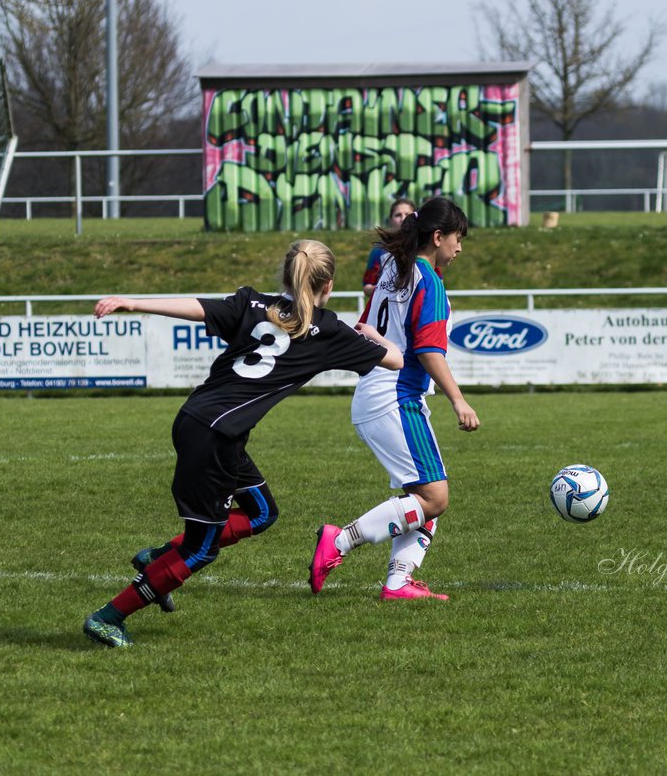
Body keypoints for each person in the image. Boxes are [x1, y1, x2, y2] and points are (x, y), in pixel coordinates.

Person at [82, 239, 403, 648]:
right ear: (329, 285)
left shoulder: (254, 304)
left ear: (285, 277)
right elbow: (395, 359)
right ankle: (109, 616)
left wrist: (133, 302)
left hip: (201, 422)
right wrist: (375, 334)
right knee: (200, 550)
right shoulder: (330, 331)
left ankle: (159, 558)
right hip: (213, 437)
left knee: (261, 512)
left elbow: (197, 306)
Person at [310, 196, 480, 601]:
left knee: (424, 493)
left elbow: (365, 326)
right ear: (438, 237)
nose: (460, 248)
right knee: (434, 497)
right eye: (457, 238)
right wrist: (459, 400)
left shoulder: (392, 267)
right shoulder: (429, 280)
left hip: (379, 394)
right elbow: (429, 350)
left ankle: (398, 582)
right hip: (395, 396)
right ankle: (339, 541)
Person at [362, 197, 415, 299]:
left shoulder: (424, 248)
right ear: (391, 220)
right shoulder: (379, 250)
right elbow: (366, 287)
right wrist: (385, 288)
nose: (403, 218)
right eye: (398, 215)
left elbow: (437, 280)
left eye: (407, 215)